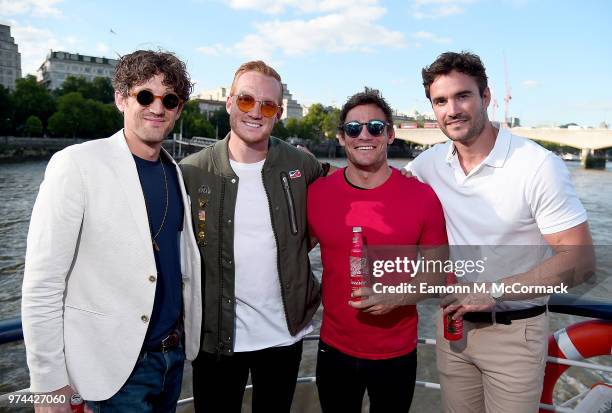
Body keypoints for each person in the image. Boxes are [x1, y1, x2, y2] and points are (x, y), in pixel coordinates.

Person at [405, 51, 594, 413]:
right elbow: (378, 189)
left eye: (463, 96)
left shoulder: (538, 166)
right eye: (440, 101)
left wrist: (494, 291)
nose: (452, 110)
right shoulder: (429, 163)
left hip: (515, 334)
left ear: (486, 97)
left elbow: (581, 261)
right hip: (452, 331)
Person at [21, 50, 201, 412]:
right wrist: (49, 385)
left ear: (179, 109)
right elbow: (43, 283)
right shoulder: (77, 164)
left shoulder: (174, 171)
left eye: (169, 99)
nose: (157, 107)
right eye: (145, 96)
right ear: (121, 98)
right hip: (112, 370)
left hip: (171, 358)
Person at [180, 60, 324, 413]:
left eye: (268, 105)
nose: (255, 112)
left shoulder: (301, 166)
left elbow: (342, 202)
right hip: (216, 340)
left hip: (284, 337)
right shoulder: (192, 172)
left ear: (278, 113)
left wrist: (410, 178)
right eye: (246, 100)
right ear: (229, 103)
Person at [307, 89, 448, 412]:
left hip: (396, 354)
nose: (365, 135)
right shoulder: (317, 194)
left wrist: (394, 297)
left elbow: (437, 273)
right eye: (354, 129)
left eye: (375, 127)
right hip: (334, 349)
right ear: (342, 138)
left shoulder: (422, 197)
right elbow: (290, 252)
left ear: (390, 134)